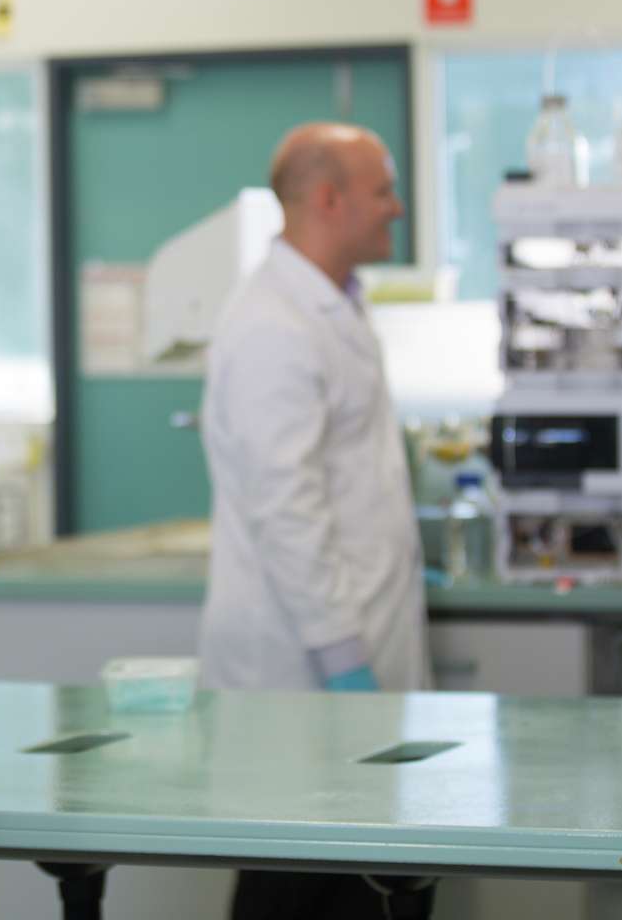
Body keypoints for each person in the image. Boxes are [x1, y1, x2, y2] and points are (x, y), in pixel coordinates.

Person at [199, 122, 433, 920]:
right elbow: (285, 509)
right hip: (302, 678)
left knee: (354, 883)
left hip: (347, 661)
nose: (396, 209)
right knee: (293, 889)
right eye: (384, 192)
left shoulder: (331, 306)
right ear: (329, 199)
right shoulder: (273, 325)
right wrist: (343, 661)